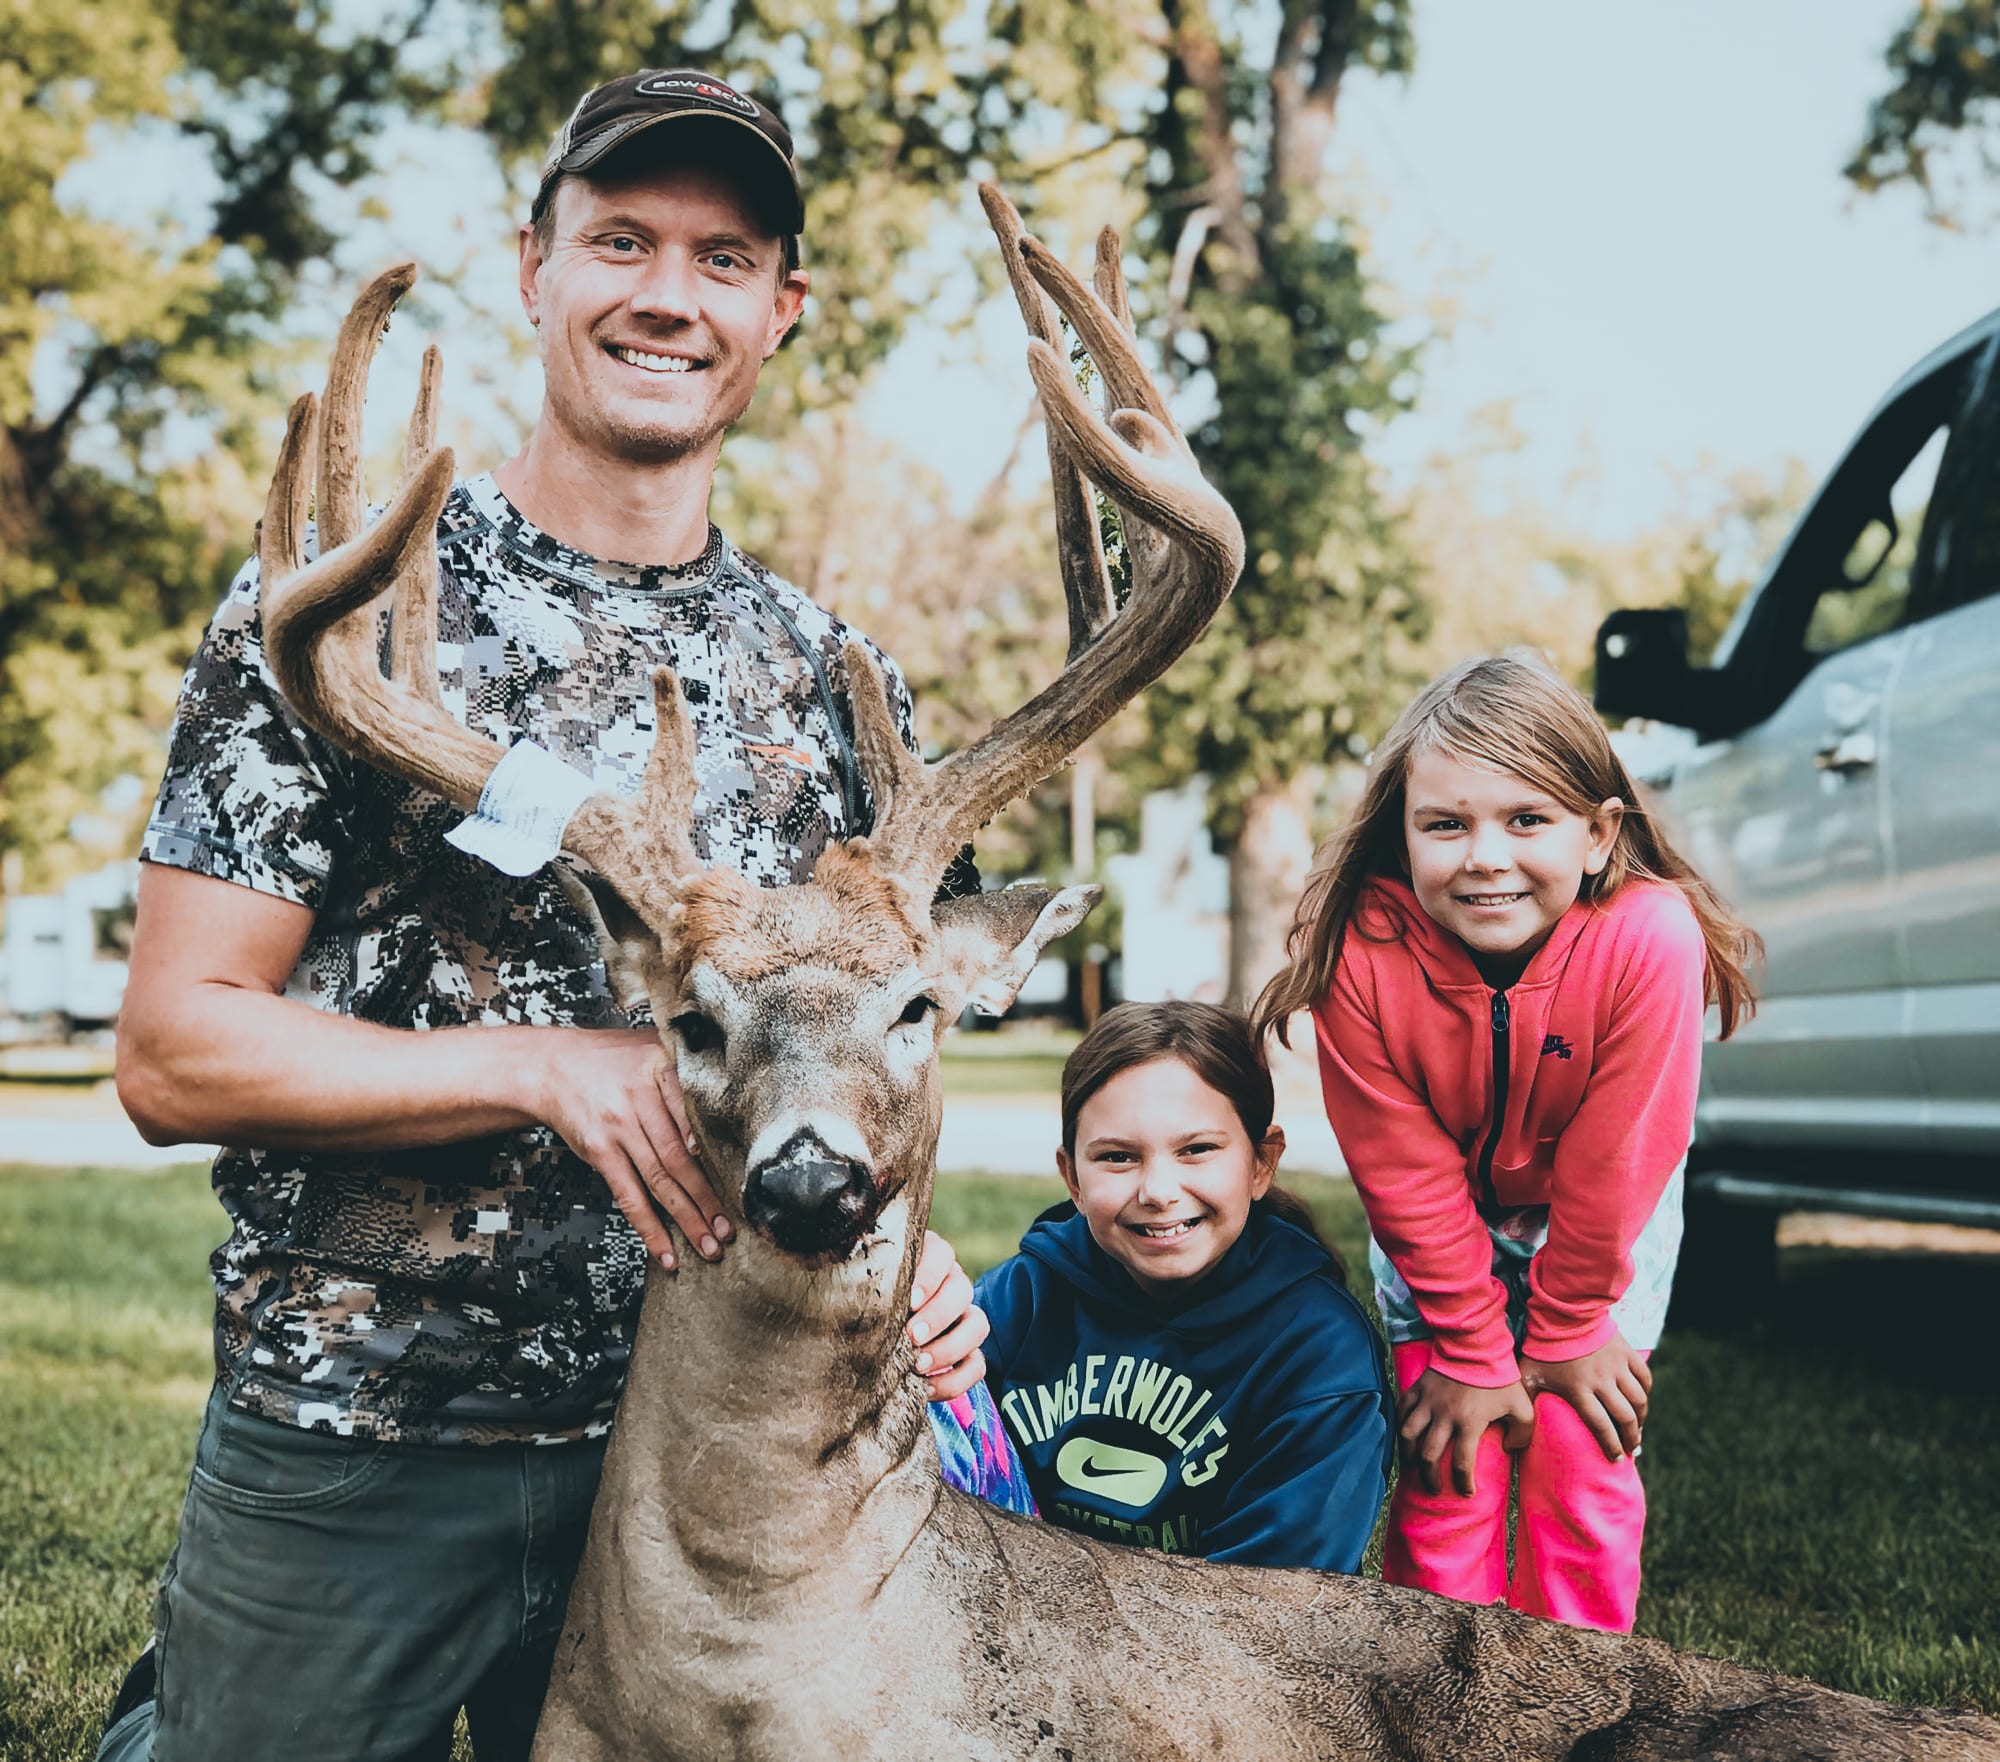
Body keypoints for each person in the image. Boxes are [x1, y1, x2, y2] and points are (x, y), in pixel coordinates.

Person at [99, 68, 992, 1762]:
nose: (669, 294)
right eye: (622, 241)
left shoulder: (831, 677)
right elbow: (173, 1047)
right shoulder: (343, 620)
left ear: (781, 310)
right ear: (536, 264)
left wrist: (908, 1240)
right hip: (366, 1417)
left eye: (724, 258)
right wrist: (540, 1065)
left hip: (709, 1459)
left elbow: (863, 1044)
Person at [1257, 652, 1759, 1633]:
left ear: (1595, 832)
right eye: (1444, 824)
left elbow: (1617, 1161)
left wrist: (1567, 1326)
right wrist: (1468, 1346)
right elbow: (1397, 1166)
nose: (1483, 855)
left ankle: (1576, 1689)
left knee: (1578, 1445)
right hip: (1438, 1219)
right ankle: (1438, 1697)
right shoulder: (1357, 948)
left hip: (1603, 1216)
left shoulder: (1647, 937)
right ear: (1401, 834)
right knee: (1451, 1451)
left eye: (1525, 819)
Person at [967, 1002, 1393, 1571]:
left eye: (1197, 1150)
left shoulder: (1318, 1354)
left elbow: (1276, 1601)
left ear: (1261, 1163)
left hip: (1208, 1646)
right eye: (1118, 1157)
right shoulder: (1022, 1299)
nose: (1159, 1191)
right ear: (1072, 1176)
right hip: (1014, 1616)